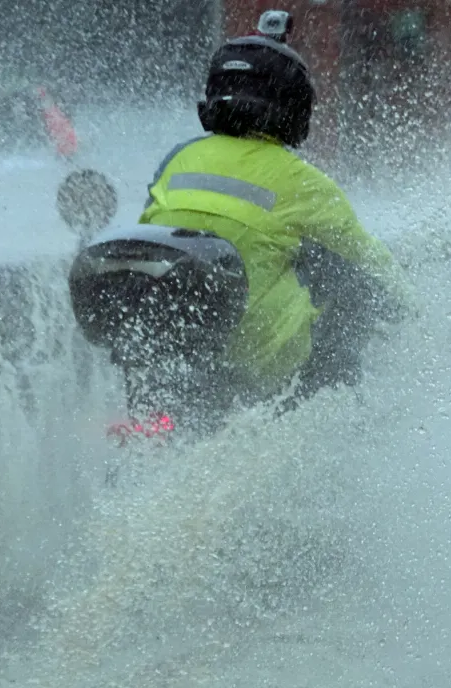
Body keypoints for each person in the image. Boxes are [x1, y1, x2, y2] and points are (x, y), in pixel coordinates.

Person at [129, 18, 413, 421]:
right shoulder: (300, 180)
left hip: (179, 346)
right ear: (294, 108)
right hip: (261, 357)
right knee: (349, 294)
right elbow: (371, 263)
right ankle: (344, 434)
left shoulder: (177, 160)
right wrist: (419, 318)